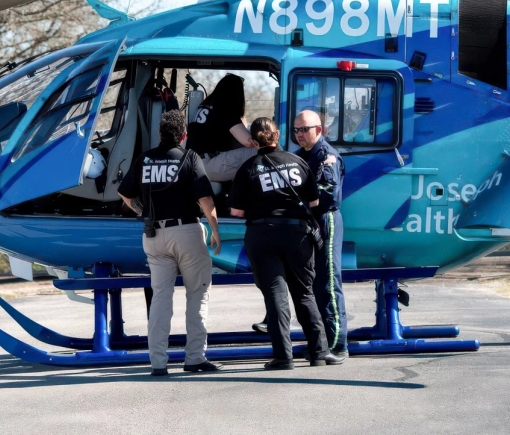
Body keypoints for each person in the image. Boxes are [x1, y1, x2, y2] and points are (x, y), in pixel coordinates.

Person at [227, 117, 345, 370]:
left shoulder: (249, 167)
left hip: (262, 236)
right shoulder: (299, 162)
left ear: (255, 140)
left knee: (276, 296)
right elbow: (314, 203)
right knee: (304, 293)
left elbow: (236, 212)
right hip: (297, 235)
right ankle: (319, 352)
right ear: (278, 135)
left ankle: (283, 357)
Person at [118, 109, 223, 376]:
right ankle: (195, 358)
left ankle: (158, 362)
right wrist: (215, 231)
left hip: (153, 235)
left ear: (160, 133)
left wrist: (143, 211)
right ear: (183, 135)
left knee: (161, 299)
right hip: (186, 232)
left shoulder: (145, 159)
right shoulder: (190, 157)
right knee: (197, 294)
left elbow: (124, 192)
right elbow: (205, 200)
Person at [292, 110, 349, 359]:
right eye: (296, 130)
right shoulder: (297, 157)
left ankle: (337, 344)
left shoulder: (327, 156)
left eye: (304, 130)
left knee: (327, 282)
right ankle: (319, 342)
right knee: (311, 284)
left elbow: (329, 196)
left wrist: (300, 202)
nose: (300, 135)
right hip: (307, 223)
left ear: (319, 129)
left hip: (326, 222)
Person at [185, 73, 259, 182]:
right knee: (259, 151)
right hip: (207, 164)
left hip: (193, 163)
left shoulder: (206, 105)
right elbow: (248, 141)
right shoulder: (225, 108)